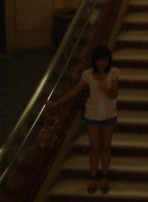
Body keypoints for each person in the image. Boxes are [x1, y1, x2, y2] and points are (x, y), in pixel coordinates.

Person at [46, 45, 120, 194]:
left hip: (109, 115)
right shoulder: (87, 75)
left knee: (106, 147)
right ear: (95, 61)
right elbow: (74, 91)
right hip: (92, 115)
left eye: (105, 59)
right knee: (94, 148)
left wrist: (105, 89)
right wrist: (56, 103)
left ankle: (104, 177)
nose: (102, 63)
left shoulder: (114, 73)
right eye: (99, 60)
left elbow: (114, 95)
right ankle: (93, 177)